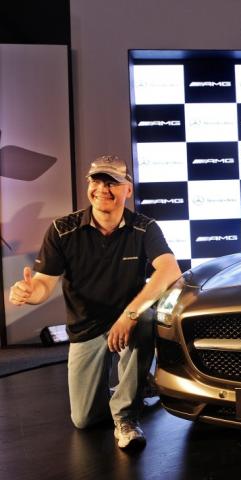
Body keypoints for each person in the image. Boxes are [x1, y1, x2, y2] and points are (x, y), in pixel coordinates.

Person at [8, 155, 182, 449]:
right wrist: (28, 293)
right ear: (88, 185)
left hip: (128, 320)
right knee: (84, 419)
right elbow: (43, 284)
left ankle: (126, 417)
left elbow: (169, 269)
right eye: (97, 181)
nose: (103, 189)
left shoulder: (144, 227)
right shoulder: (63, 229)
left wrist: (128, 315)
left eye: (113, 182)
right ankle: (141, 385)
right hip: (86, 327)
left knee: (147, 318)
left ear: (128, 189)